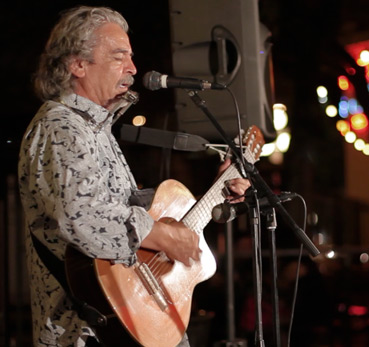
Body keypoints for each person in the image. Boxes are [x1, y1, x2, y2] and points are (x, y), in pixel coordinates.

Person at [18, 6, 250, 346]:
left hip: (124, 323)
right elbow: (80, 215)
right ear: (77, 64)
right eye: (118, 57)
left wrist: (218, 194)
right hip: (83, 331)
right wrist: (161, 235)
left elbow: (127, 226)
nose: (133, 68)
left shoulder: (96, 131)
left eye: (130, 56)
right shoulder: (61, 126)